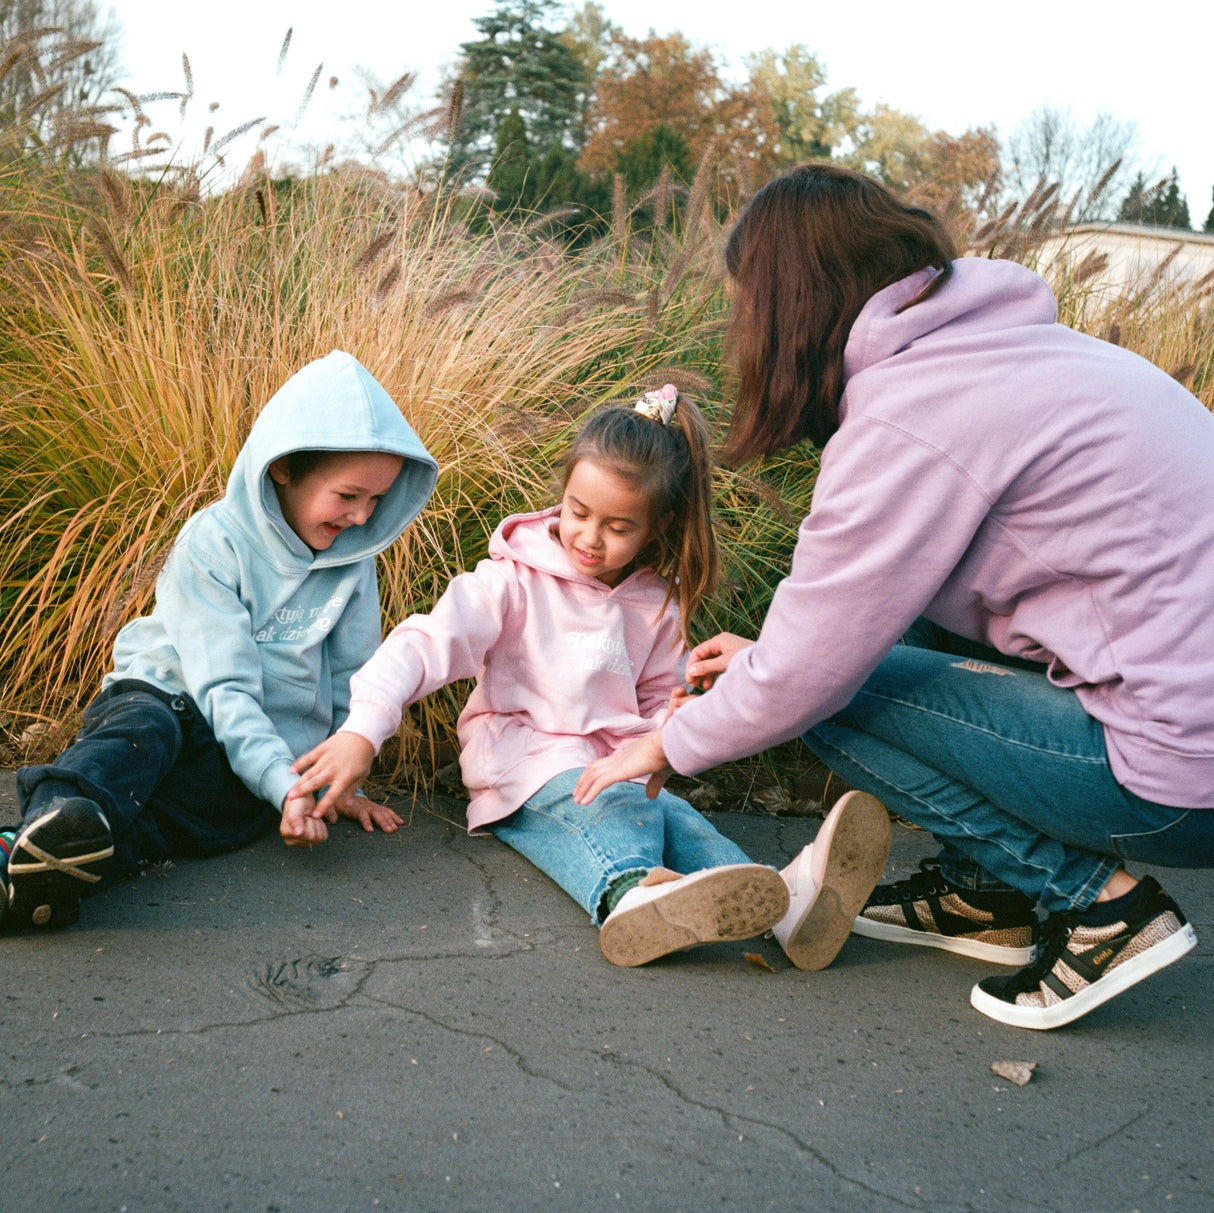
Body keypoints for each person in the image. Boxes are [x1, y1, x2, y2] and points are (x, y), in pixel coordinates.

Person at [572, 163, 1214, 1029]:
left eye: (748, 304)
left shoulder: (910, 411)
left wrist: (669, 744)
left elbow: (814, 673)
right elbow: (858, 611)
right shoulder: (1024, 354)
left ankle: (1097, 905)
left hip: (1181, 778)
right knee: (855, 644)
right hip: (1187, 729)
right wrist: (774, 662)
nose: (741, 328)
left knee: (823, 699)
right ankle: (988, 894)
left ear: (789, 303)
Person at [287, 385, 891, 968]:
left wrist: (672, 719)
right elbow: (423, 645)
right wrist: (362, 731)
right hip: (528, 764)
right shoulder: (511, 582)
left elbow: (659, 695)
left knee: (679, 820)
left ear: (656, 527)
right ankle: (632, 896)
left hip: (619, 763)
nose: (590, 538)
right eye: (578, 513)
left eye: (619, 527)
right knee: (612, 814)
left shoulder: (657, 599)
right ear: (563, 496)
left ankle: (784, 904)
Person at [1, 350, 439, 931]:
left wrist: (328, 784)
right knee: (139, 739)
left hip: (253, 755)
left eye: (377, 501)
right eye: (347, 495)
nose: (361, 517)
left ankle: (38, 878)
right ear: (282, 467)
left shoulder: (353, 560)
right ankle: (59, 813)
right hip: (172, 699)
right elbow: (224, 687)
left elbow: (353, 676)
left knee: (209, 823)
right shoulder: (215, 543)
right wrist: (282, 782)